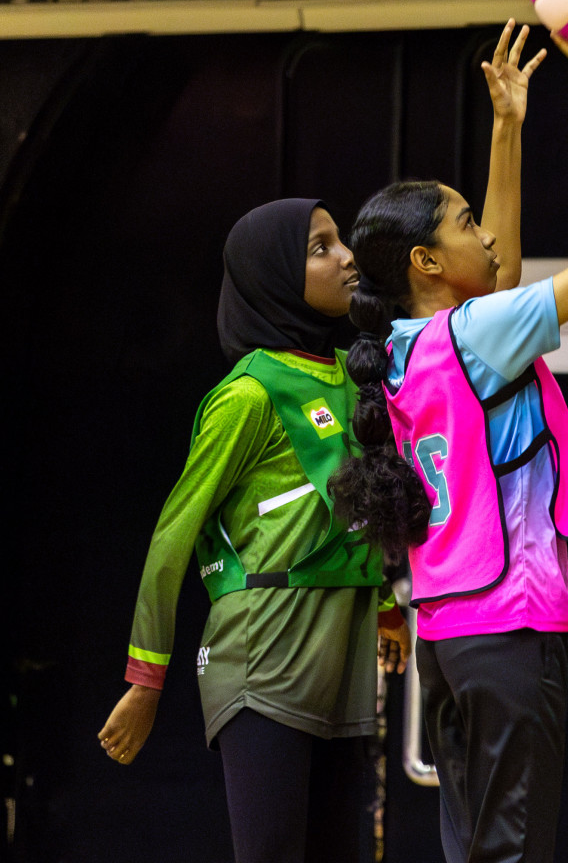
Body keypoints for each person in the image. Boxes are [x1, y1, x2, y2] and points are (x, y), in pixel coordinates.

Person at [328, 21, 568, 863]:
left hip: (448, 633)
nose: (489, 235)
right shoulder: (475, 337)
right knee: (513, 852)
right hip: (510, 626)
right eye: (467, 223)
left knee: (471, 848)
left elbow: (496, 274)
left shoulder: (397, 350)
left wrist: (508, 128)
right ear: (429, 264)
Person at [97, 197, 411, 863]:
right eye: (320, 247)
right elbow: (171, 538)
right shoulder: (248, 394)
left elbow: (358, 512)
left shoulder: (356, 383)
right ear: (270, 275)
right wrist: (145, 680)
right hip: (265, 657)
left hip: (341, 661)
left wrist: (386, 606)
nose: (347, 256)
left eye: (339, 241)